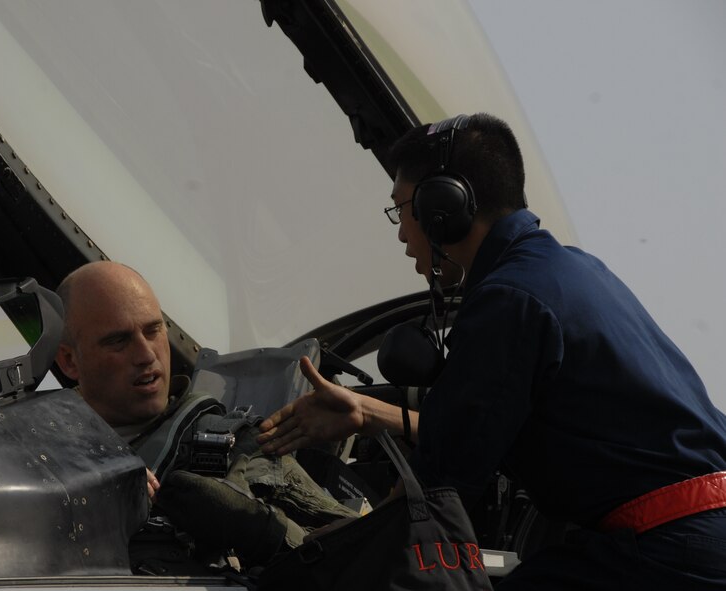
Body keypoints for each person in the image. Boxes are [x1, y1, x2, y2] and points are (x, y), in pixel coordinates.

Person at [257, 113, 726, 589]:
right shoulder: (568, 271)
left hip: (671, 546)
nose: (401, 233)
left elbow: (438, 487)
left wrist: (341, 542)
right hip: (692, 537)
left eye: (402, 209)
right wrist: (369, 411)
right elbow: (478, 428)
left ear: (442, 206)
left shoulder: (510, 301)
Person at [54, 260, 355, 569]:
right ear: (69, 360)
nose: (146, 355)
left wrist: (263, 531)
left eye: (153, 330)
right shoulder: (43, 451)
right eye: (118, 341)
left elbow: (363, 552)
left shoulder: (242, 447)